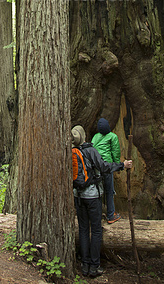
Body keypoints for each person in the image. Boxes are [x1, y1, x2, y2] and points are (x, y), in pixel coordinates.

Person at [71, 124, 133, 278]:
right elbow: (104, 167)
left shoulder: (71, 151)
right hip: (92, 196)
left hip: (78, 197)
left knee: (84, 230)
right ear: (84, 136)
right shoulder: (91, 151)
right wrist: (122, 165)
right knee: (96, 230)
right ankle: (94, 266)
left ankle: (85, 265)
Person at [92, 117, 122, 224]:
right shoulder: (113, 136)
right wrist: (117, 165)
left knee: (99, 191)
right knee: (109, 190)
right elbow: (115, 152)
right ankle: (110, 215)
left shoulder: (95, 137)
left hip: (97, 167)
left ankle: (98, 215)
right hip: (108, 167)